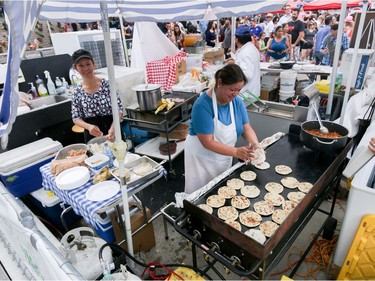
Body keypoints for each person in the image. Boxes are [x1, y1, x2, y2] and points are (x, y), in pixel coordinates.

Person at [184, 64, 261, 194]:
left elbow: (246, 128)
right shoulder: (202, 105)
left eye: (239, 90)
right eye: (232, 89)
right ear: (220, 82)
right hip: (202, 159)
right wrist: (236, 152)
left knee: (221, 193)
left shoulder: (237, 102)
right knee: (199, 196)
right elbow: (207, 142)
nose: (236, 94)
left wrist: (255, 145)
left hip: (224, 155)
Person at [70, 49, 124, 143]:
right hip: (92, 135)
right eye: (81, 65)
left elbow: (119, 109)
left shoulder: (108, 85)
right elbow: (76, 117)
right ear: (75, 68)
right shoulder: (77, 92)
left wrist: (114, 127)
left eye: (88, 64)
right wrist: (89, 127)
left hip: (113, 130)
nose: (85, 68)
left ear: (93, 64)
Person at [226, 25, 260, 97]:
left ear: (236, 39)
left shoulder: (245, 52)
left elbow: (246, 74)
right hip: (252, 91)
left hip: (246, 94)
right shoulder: (251, 48)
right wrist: (235, 62)